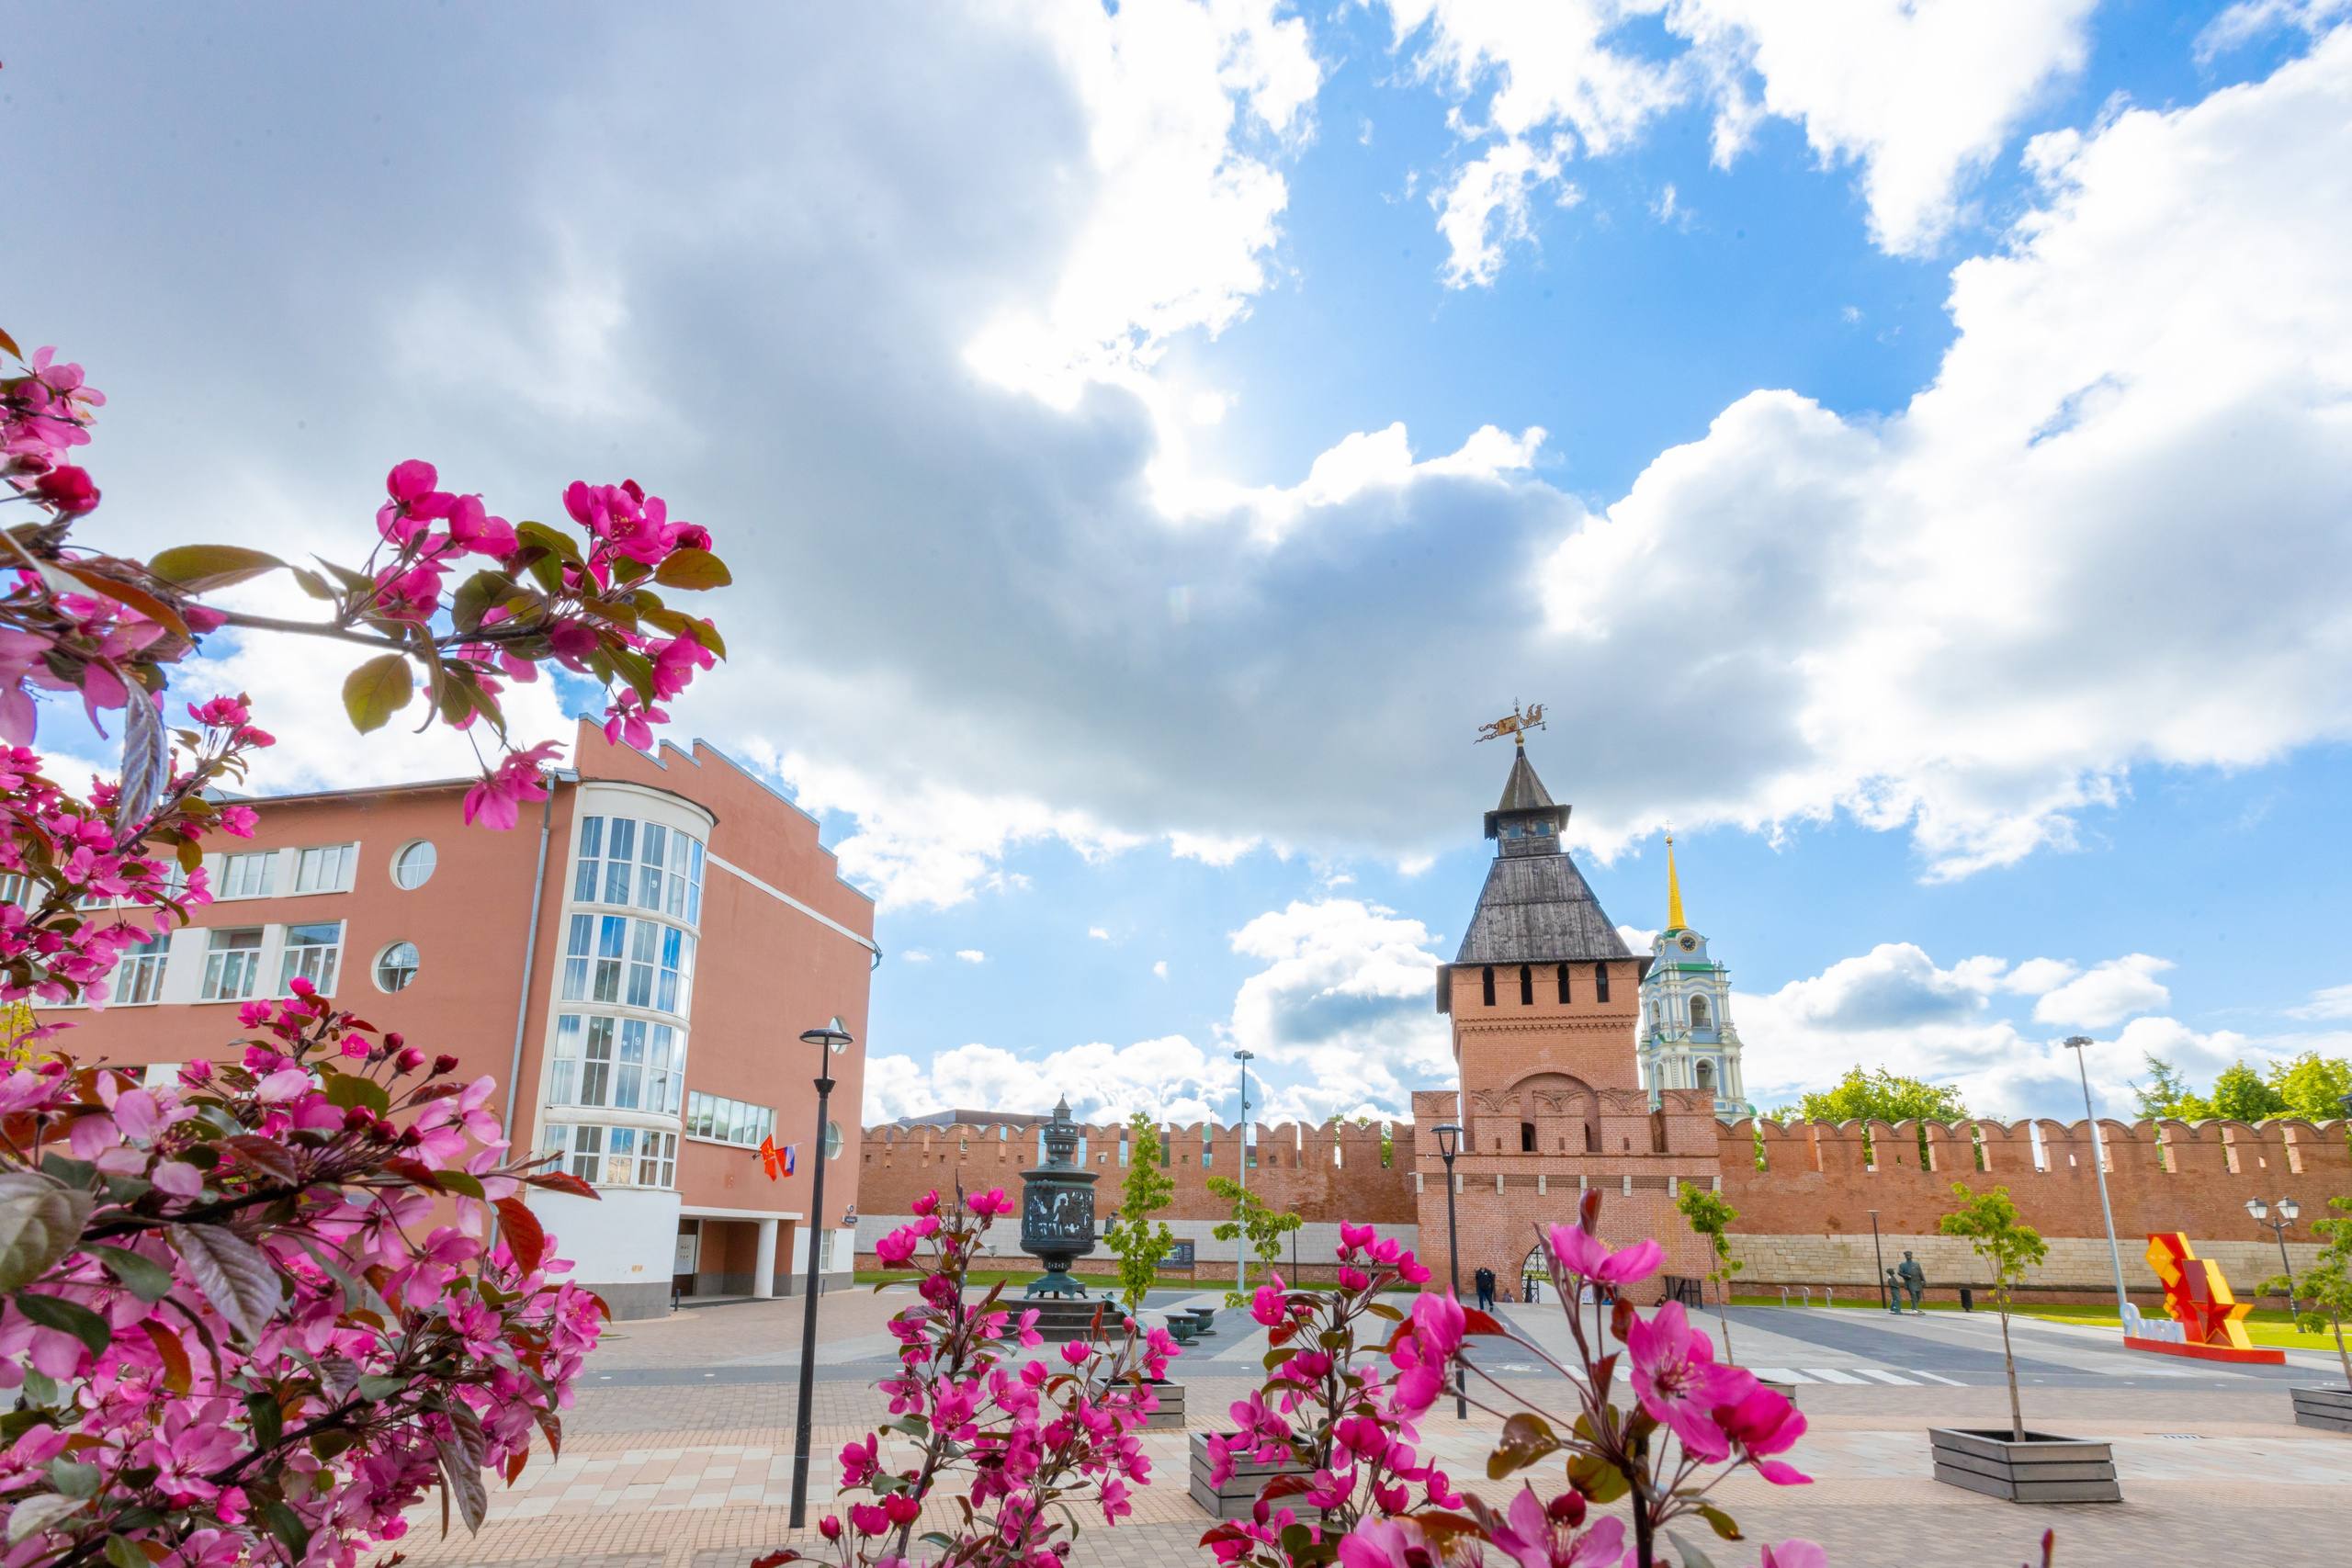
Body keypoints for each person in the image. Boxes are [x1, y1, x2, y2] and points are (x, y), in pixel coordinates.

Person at [1898, 1250, 1928, 1314]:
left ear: (1911, 1256)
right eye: (1907, 1255)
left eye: (1909, 1255)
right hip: (1910, 1282)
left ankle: (1915, 1306)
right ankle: (1915, 1308)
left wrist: (1924, 1280)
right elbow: (1899, 1272)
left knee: (1919, 1295)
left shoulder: (1916, 1264)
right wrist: (1906, 1276)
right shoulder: (1902, 1265)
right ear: (1905, 1256)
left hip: (1917, 1281)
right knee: (1913, 1295)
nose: (1908, 1256)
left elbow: (1920, 1273)